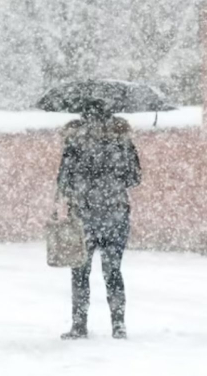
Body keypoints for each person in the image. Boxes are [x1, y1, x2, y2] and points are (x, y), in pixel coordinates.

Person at [56, 99, 141, 339]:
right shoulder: (122, 141)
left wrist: (81, 184)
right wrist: (112, 180)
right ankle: (118, 325)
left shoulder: (74, 141)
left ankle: (79, 325)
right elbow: (135, 179)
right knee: (113, 271)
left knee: (80, 272)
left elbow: (63, 182)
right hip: (115, 214)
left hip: (83, 215)